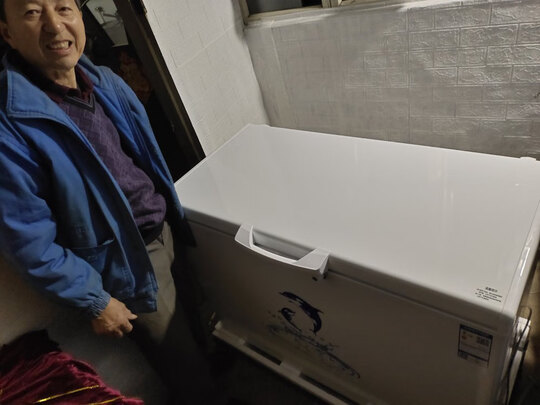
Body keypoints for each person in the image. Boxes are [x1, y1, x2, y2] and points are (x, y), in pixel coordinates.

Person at [0, 0, 228, 403]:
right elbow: (29, 243)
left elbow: (143, 161)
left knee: (202, 328)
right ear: (8, 33)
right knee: (185, 369)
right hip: (128, 263)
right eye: (33, 12)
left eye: (63, 8)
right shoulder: (11, 125)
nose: (54, 25)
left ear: (79, 16)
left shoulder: (104, 81)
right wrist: (95, 300)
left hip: (165, 229)